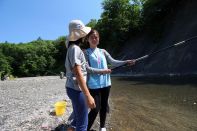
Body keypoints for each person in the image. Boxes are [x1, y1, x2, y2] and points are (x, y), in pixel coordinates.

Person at [84, 29, 135, 131]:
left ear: (99, 39)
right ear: (88, 40)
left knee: (104, 106)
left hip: (106, 84)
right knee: (95, 108)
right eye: (92, 37)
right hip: (93, 85)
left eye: (96, 37)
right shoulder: (85, 53)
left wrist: (126, 62)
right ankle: (85, 128)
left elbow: (113, 62)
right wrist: (102, 71)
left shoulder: (103, 51)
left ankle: (102, 127)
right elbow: (87, 69)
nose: (94, 39)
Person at [65, 20, 96, 131]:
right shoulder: (75, 49)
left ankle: (70, 129)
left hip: (71, 88)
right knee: (83, 124)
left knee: (78, 118)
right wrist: (88, 95)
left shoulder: (71, 48)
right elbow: (78, 73)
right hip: (77, 90)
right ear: (80, 34)